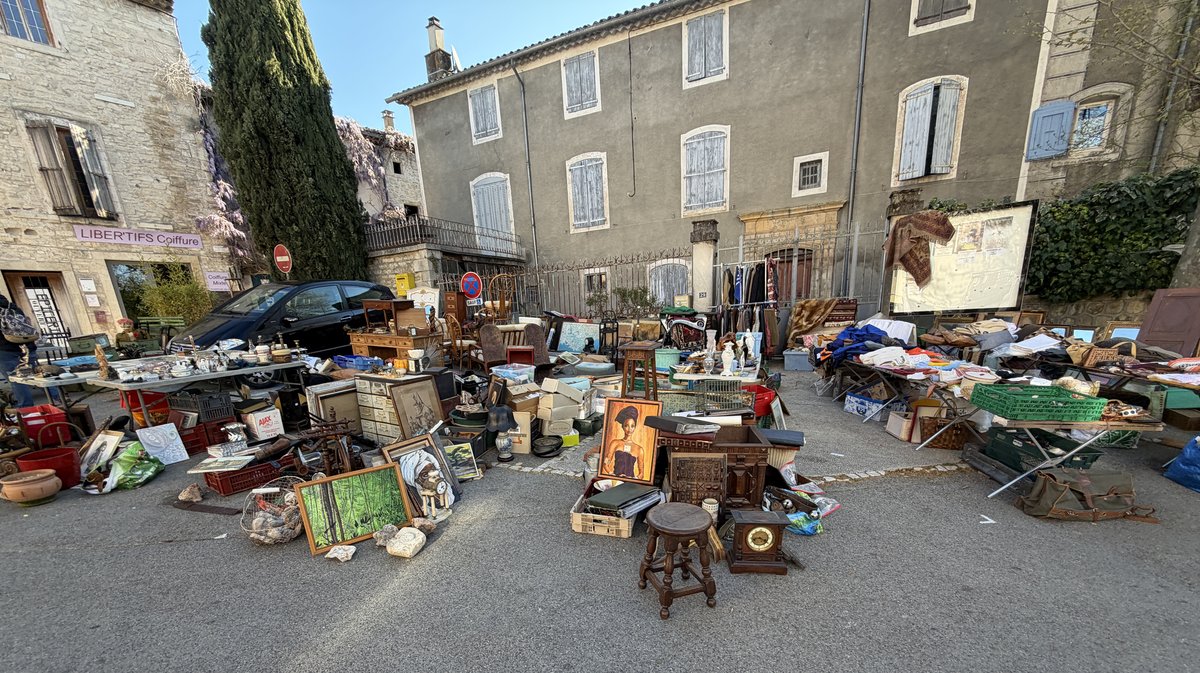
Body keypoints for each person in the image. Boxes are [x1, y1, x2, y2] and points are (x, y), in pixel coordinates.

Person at [0, 294, 35, 409]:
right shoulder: (13, 307)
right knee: (39, 375)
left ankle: (26, 409)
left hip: (4, 349)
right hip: (25, 346)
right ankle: (58, 399)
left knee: (16, 380)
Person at [606, 405, 644, 480]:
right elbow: (606, 462)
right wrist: (611, 474)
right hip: (615, 480)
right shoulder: (615, 443)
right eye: (626, 425)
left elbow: (641, 473)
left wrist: (634, 479)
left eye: (632, 426)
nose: (629, 429)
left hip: (630, 483)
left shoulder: (639, 449)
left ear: (635, 427)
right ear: (622, 427)